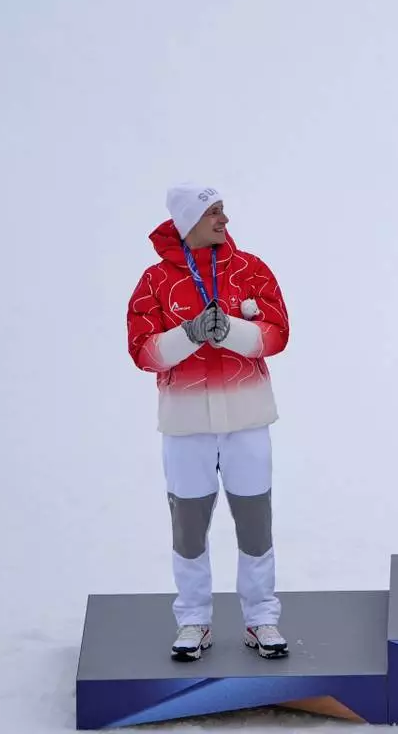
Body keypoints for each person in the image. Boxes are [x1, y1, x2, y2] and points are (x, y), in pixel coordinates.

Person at [126, 183, 291, 661]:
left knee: (255, 522)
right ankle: (193, 619)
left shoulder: (250, 269)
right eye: (213, 212)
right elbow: (143, 351)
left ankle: (262, 617)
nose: (224, 220)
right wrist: (191, 334)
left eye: (223, 211)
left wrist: (235, 331)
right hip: (185, 424)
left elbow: (277, 333)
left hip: (247, 417)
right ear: (187, 222)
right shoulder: (155, 282)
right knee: (189, 528)